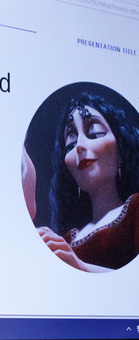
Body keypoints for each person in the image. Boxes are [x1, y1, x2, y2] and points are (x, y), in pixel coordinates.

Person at [36, 91, 139, 272]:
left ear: (120, 152)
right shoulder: (67, 238)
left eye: (95, 133)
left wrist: (81, 267)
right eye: (70, 144)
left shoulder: (135, 209)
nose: (79, 146)